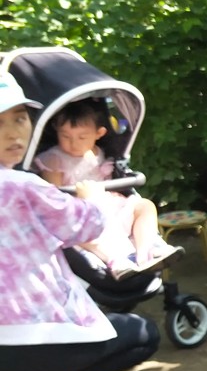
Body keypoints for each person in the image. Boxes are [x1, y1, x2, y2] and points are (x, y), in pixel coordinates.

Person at [0, 72, 161, 371]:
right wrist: (93, 198)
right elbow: (89, 225)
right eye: (0, 123)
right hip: (42, 339)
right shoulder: (25, 186)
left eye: (20, 119)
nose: (13, 133)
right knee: (143, 334)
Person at [33, 98, 179, 278]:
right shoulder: (54, 159)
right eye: (65, 136)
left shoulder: (99, 153)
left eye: (82, 137)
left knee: (145, 206)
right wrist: (83, 198)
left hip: (110, 207)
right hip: (79, 213)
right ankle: (115, 260)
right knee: (76, 231)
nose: (73, 143)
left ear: (99, 133)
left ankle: (146, 251)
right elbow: (53, 197)